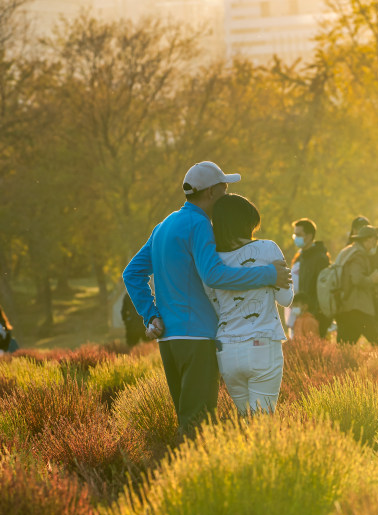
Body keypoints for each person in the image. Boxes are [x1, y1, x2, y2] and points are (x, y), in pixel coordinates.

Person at [123, 161, 291, 435]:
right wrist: (268, 275)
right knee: (197, 425)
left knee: (186, 419)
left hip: (169, 340)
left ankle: (182, 471)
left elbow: (131, 274)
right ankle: (191, 475)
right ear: (211, 192)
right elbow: (213, 275)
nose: (226, 197)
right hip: (197, 338)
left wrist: (151, 314)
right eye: (224, 189)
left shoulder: (164, 226)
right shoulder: (199, 224)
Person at [205, 194, 293, 415]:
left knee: (245, 422)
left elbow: (214, 306)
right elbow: (285, 299)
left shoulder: (212, 260)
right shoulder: (267, 248)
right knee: (262, 425)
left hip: (227, 350)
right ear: (248, 222)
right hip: (262, 344)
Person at [335, 225, 378, 344]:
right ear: (368, 240)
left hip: (345, 305)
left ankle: (341, 362)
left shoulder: (348, 251)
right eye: (374, 240)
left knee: (345, 345)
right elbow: (357, 279)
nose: (375, 244)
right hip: (358, 307)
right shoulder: (358, 256)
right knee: (377, 342)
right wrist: (373, 279)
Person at [290, 218, 331, 337]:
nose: (296, 238)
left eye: (299, 235)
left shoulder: (320, 258)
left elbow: (324, 288)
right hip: (302, 312)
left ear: (309, 236)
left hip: (316, 314)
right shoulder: (300, 258)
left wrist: (318, 311)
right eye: (294, 235)